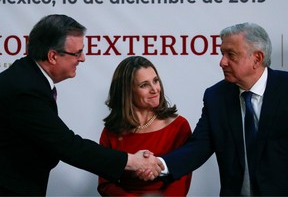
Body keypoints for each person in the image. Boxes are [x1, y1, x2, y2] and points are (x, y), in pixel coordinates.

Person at [0, 14, 163, 196]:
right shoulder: (25, 90)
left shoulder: (26, 77)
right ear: (53, 56)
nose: (83, 58)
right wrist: (132, 161)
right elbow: (68, 146)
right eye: (77, 53)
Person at [151, 22, 288, 196]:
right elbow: (199, 147)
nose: (222, 62)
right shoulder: (216, 97)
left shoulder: (285, 89)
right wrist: (159, 165)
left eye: (231, 54)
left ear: (257, 58)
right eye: (222, 53)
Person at [97, 56, 192, 196]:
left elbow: (182, 178)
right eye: (144, 85)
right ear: (127, 91)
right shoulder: (110, 132)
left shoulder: (179, 126)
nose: (155, 89)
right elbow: (105, 184)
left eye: (155, 81)